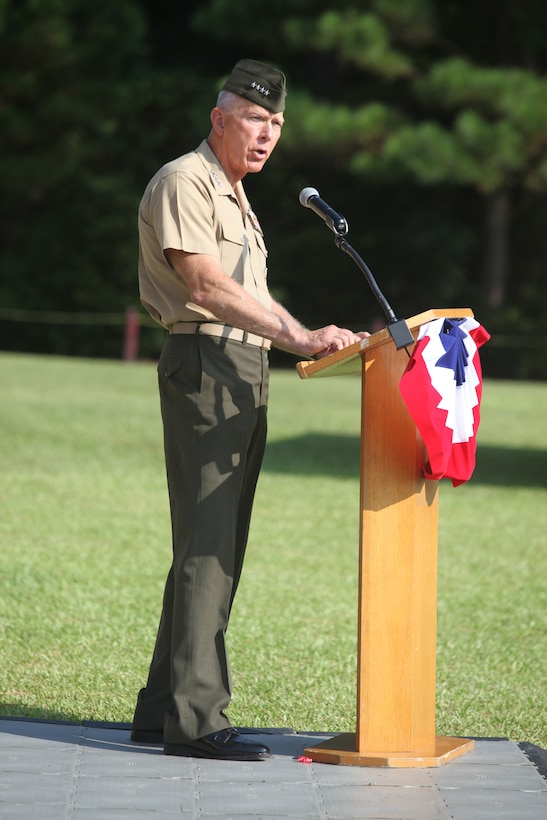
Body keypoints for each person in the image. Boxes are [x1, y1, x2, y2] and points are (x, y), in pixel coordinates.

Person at [131, 58, 367, 762]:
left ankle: (161, 709)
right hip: (205, 362)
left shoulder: (235, 195)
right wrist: (296, 335)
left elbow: (254, 300)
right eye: (255, 119)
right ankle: (197, 721)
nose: (267, 134)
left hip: (241, 366)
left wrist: (307, 337)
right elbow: (204, 284)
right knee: (209, 547)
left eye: (276, 123)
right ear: (219, 119)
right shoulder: (185, 181)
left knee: (213, 543)